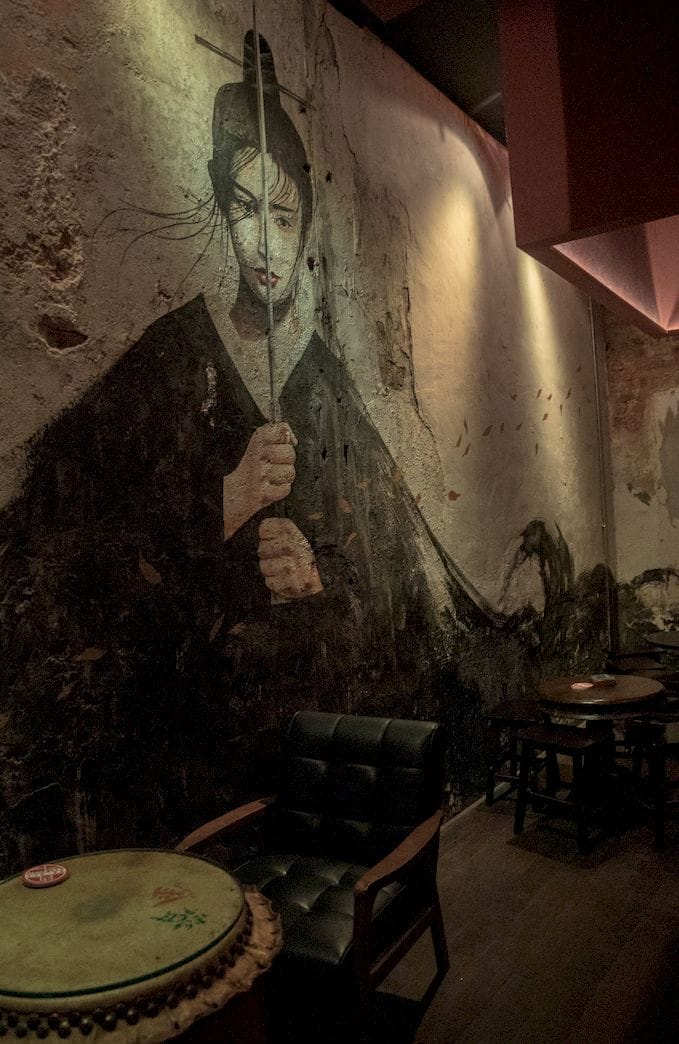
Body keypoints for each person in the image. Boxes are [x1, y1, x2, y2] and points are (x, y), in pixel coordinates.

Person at [1, 31, 490, 870]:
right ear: (219, 209)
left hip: (307, 761)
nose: (264, 243)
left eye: (283, 215)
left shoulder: (328, 386)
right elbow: (48, 553)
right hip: (182, 760)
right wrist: (218, 507)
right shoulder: (167, 361)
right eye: (242, 208)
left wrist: (319, 582)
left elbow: (394, 595)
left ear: (308, 222)